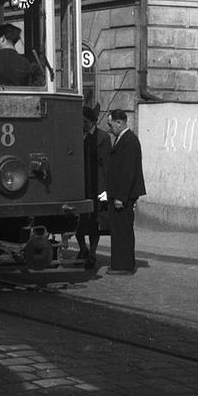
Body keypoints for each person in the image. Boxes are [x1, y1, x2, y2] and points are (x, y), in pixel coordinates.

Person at [106, 109, 146, 274]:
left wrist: (120, 197)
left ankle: (123, 265)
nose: (110, 128)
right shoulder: (122, 139)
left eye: (111, 125)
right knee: (119, 230)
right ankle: (120, 263)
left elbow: (128, 172)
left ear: (119, 122)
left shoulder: (129, 141)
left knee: (122, 231)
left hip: (123, 196)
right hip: (120, 194)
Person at [77, 105, 111, 269]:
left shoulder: (102, 137)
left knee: (94, 224)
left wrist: (105, 190)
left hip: (96, 186)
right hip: (81, 186)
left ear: (92, 121)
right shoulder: (77, 135)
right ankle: (82, 249)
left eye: (85, 122)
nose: (82, 124)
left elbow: (106, 165)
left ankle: (92, 253)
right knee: (79, 223)